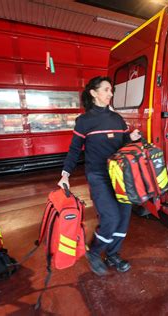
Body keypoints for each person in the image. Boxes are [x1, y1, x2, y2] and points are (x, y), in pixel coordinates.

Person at [57, 76, 141, 275]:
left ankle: (113, 254)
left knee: (123, 217)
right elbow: (74, 150)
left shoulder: (117, 119)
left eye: (111, 90)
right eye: (106, 90)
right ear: (94, 93)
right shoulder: (84, 121)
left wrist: (131, 138)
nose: (110, 94)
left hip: (120, 175)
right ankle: (94, 252)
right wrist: (65, 174)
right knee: (110, 217)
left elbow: (122, 145)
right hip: (98, 175)